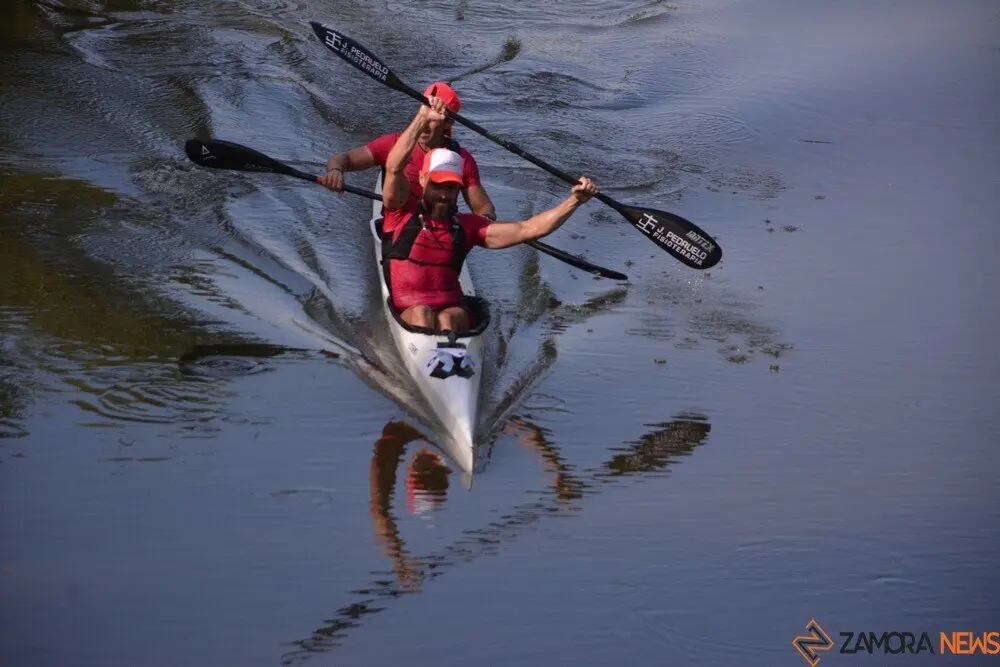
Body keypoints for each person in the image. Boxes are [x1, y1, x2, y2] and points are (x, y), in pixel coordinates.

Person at [381, 95, 599, 332]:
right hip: (412, 314)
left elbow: (531, 229)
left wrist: (575, 201)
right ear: (423, 180)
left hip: (453, 316)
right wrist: (422, 117)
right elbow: (394, 167)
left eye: (452, 187)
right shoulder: (399, 215)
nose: (444, 194)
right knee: (422, 313)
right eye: (438, 185)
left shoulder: (468, 228)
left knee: (447, 320)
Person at [319, 81, 497, 221]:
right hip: (397, 227)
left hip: (439, 230)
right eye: (424, 114)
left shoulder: (461, 160)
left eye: (432, 119)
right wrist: (335, 172)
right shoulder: (393, 144)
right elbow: (342, 159)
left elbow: (483, 208)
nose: (424, 126)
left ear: (448, 123)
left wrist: (484, 222)